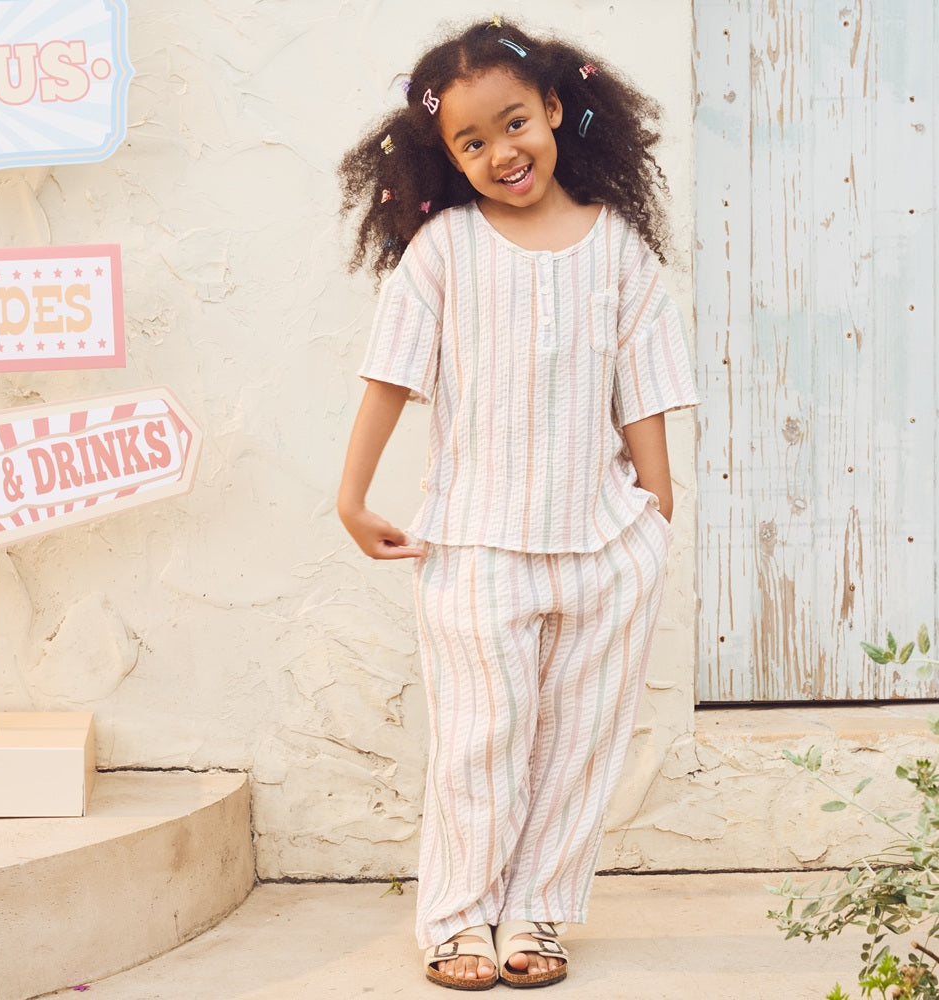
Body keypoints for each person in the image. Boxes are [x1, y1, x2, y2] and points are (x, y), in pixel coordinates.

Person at [336, 16, 698, 991]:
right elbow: (390, 376)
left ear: (553, 109)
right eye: (471, 140)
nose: (502, 152)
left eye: (514, 124)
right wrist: (352, 494)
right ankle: (458, 920)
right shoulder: (444, 251)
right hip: (475, 546)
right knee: (478, 741)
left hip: (602, 544)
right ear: (444, 154)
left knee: (580, 742)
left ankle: (536, 909)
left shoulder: (618, 246)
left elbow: (645, 382)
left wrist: (654, 505)